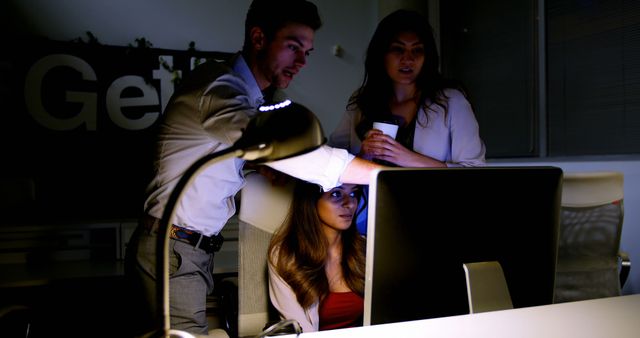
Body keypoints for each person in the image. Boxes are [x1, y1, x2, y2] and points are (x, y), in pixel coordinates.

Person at [124, 0, 380, 335]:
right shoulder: (218, 87)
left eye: (308, 51)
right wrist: (381, 175)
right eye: (293, 47)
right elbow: (298, 155)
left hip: (189, 249)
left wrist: (255, 167)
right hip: (172, 248)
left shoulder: (252, 99)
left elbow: (235, 153)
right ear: (259, 38)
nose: (302, 61)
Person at [328, 9, 486, 234]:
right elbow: (334, 159)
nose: (408, 59)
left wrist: (407, 158)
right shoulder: (363, 102)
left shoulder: (450, 101)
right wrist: (363, 155)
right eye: (398, 49)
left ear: (427, 56)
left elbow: (475, 175)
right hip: (371, 221)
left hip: (433, 220)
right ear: (382, 54)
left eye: (417, 51)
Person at [268, 179, 366, 332]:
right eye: (336, 193)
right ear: (311, 200)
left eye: (353, 193)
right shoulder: (285, 255)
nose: (350, 204)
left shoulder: (364, 249)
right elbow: (299, 329)